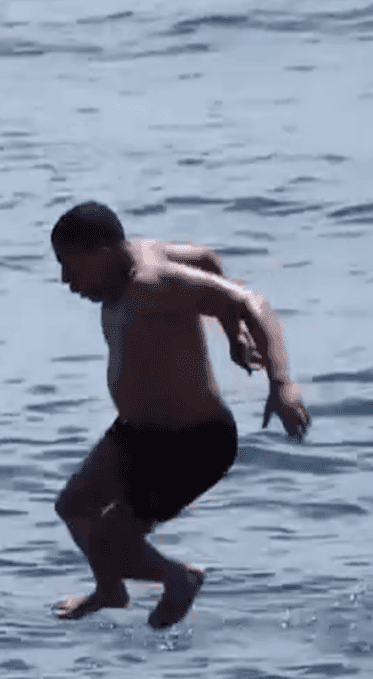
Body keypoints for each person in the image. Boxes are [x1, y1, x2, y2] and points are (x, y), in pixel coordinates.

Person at [49, 202, 312, 629]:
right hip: (137, 434)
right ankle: (110, 590)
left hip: (192, 444)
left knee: (113, 536)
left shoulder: (153, 283)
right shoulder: (141, 257)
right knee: (73, 506)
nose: (65, 281)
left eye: (70, 267)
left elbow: (251, 301)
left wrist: (281, 383)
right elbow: (207, 257)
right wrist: (231, 334)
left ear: (104, 253)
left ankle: (180, 578)